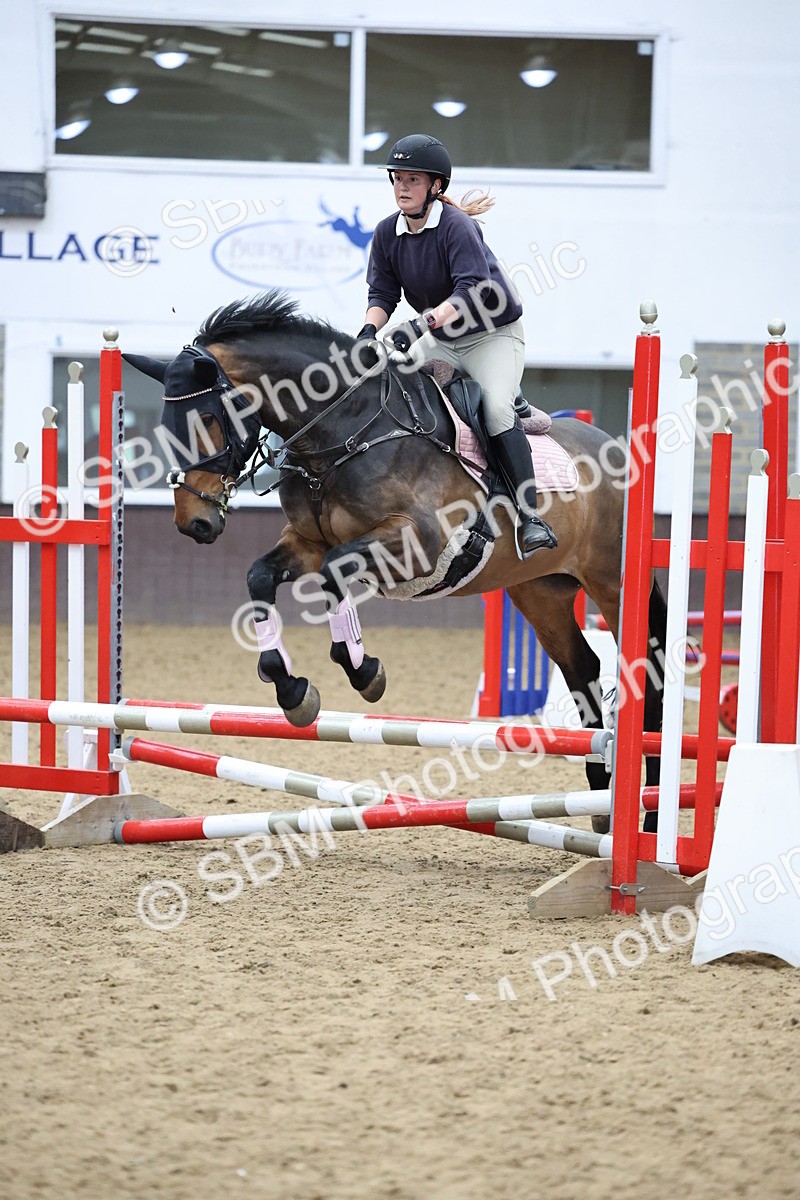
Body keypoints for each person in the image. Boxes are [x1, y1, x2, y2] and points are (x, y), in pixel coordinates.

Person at [357, 133, 557, 556]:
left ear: (436, 186)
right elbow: (382, 295)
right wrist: (368, 333)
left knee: (496, 407)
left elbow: (471, 290)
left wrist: (423, 323)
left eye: (413, 179)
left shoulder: (456, 226)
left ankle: (529, 516)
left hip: (492, 336)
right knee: (387, 381)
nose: (402, 187)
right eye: (397, 178)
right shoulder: (386, 233)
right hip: (443, 338)